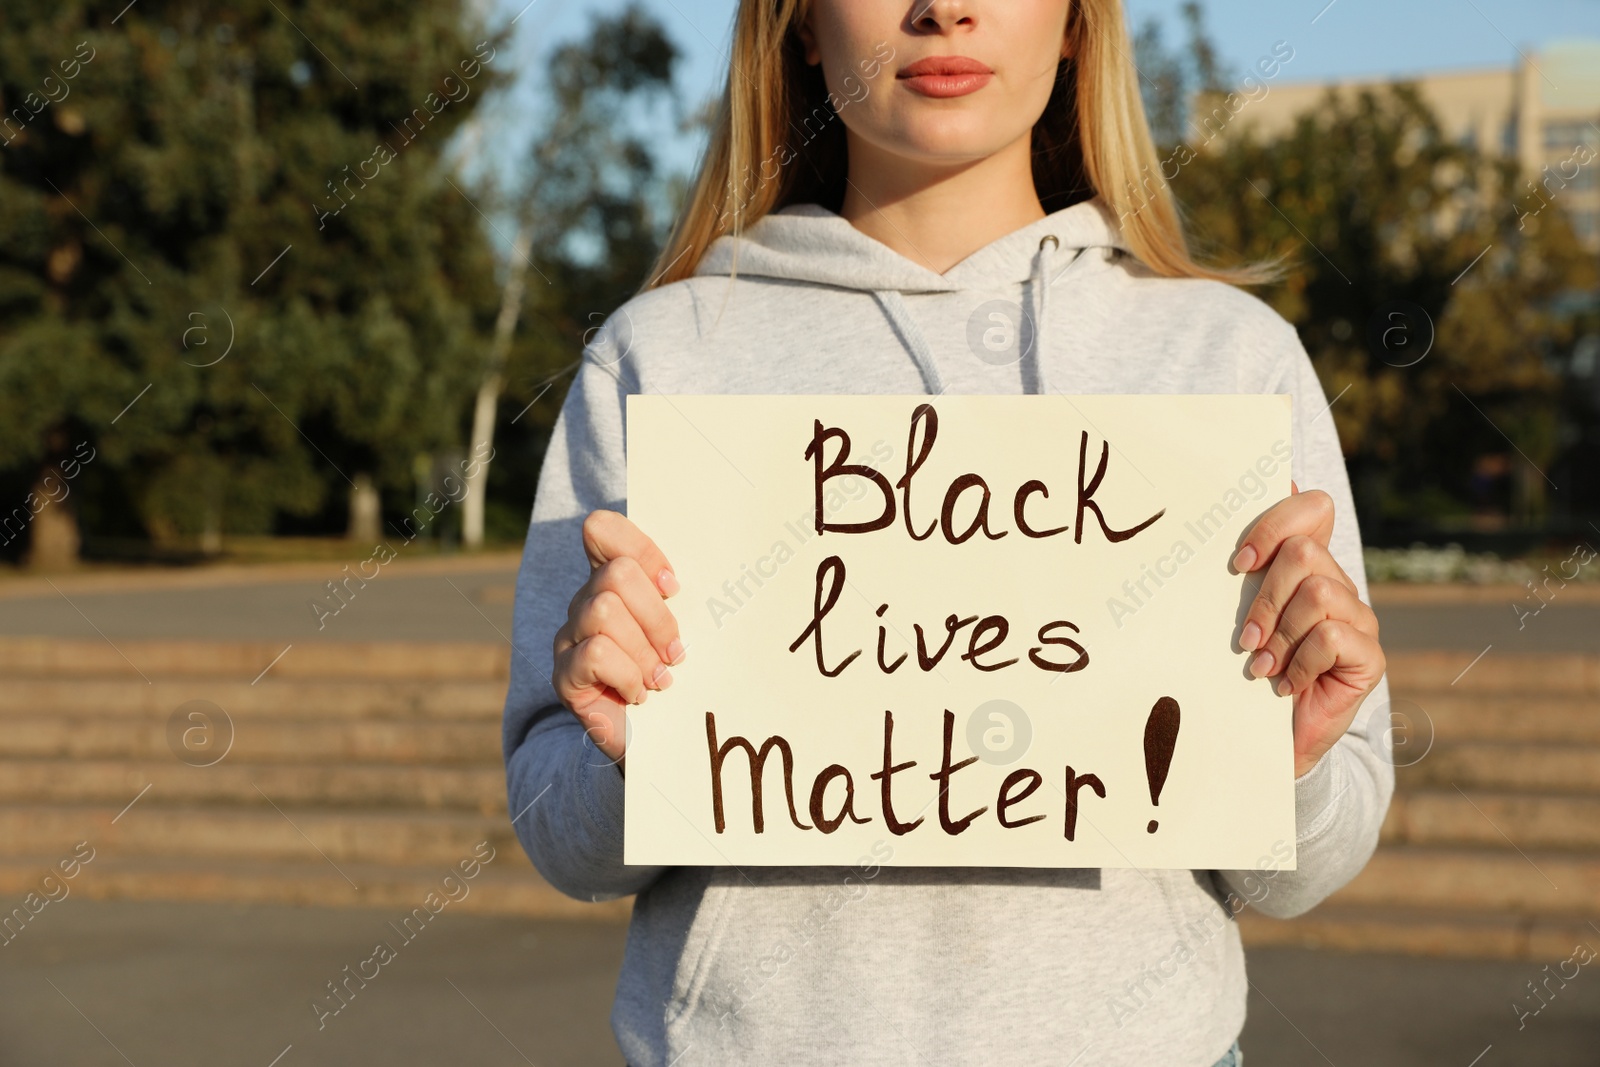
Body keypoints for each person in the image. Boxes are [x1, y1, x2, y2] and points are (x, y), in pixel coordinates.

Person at [502, 1, 1392, 1063]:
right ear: (796, 23)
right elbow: (560, 830)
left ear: (1074, 24)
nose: (944, 8)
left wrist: (1284, 761)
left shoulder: (1226, 357)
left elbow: (1304, 871)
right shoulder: (661, 356)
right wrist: (625, 758)